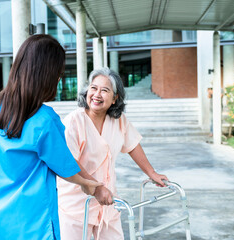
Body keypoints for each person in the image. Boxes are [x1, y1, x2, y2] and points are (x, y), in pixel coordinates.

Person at [0, 34, 102, 240]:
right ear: (47, 75)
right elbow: (65, 168)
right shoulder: (44, 120)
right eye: (58, 74)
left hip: (3, 213)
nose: (59, 79)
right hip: (36, 220)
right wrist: (88, 184)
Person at [57, 67, 168, 240]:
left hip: (107, 202)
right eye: (93, 88)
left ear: (115, 98)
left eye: (105, 90)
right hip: (77, 203)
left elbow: (133, 145)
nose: (97, 94)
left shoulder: (118, 120)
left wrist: (151, 173)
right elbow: (70, 160)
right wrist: (96, 188)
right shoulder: (74, 120)